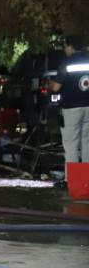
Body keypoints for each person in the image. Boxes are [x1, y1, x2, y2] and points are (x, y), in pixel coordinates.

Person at [50, 35, 89, 175]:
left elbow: (56, 87)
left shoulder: (67, 63)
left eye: (65, 46)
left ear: (71, 47)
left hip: (71, 108)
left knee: (71, 144)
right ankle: (86, 180)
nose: (65, 49)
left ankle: (73, 180)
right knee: (87, 143)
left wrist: (50, 82)